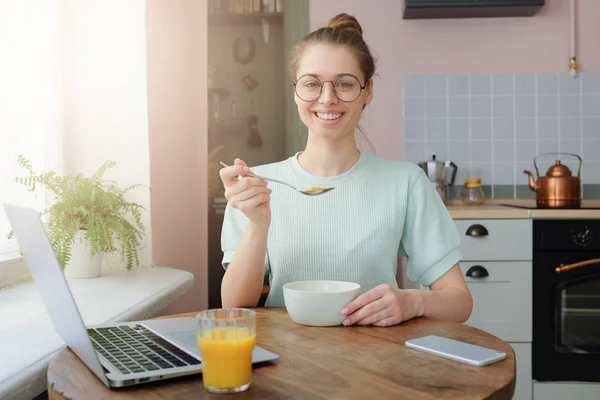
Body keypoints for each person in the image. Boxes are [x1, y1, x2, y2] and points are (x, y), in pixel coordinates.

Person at [218, 13, 472, 327]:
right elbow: (234, 305)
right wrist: (257, 223)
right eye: (312, 83)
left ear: (368, 92)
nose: (327, 98)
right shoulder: (255, 186)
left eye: (344, 83)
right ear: (296, 91)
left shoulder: (406, 183)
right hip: (283, 363)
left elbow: (459, 303)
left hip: (376, 363)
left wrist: (413, 301)